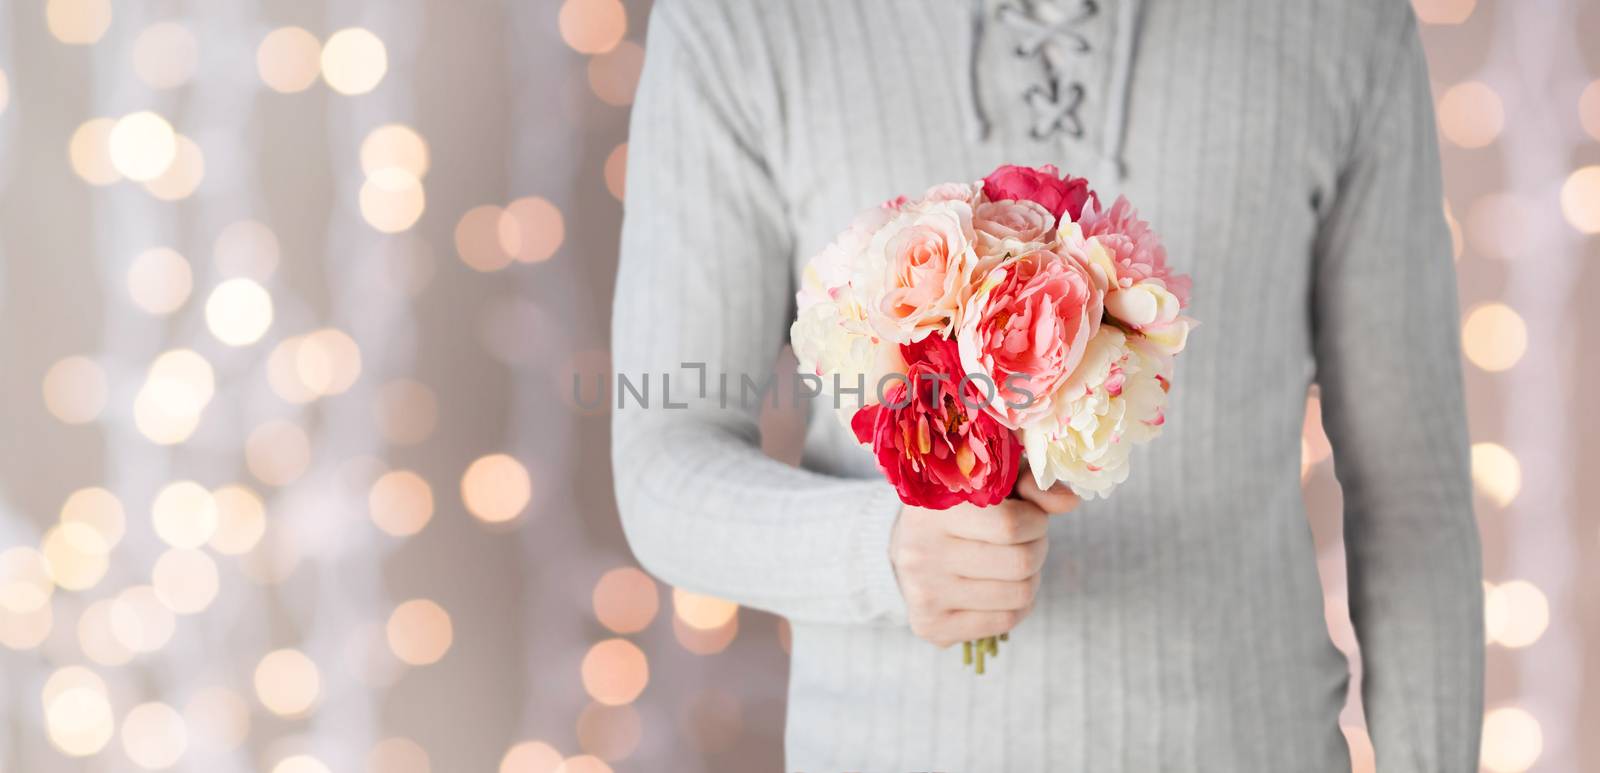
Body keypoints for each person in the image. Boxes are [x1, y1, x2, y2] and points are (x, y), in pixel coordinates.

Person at [610, 0, 1483, 770]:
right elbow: (662, 456)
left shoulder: (1346, 21)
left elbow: (1414, 492)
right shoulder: (738, 22)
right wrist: (880, 550)